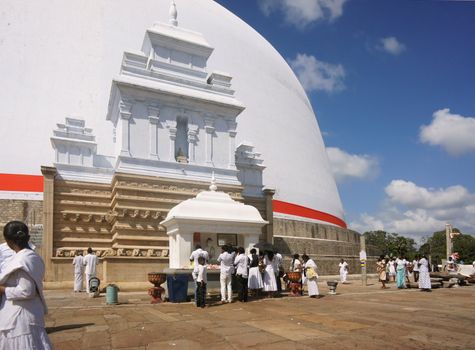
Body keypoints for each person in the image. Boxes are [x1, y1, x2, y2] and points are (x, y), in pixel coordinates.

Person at [0, 220, 52, 349]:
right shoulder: (30, 256)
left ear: (9, 240)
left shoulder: (23, 259)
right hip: (24, 313)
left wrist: (2, 289)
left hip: (20, 316)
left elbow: (27, 291)